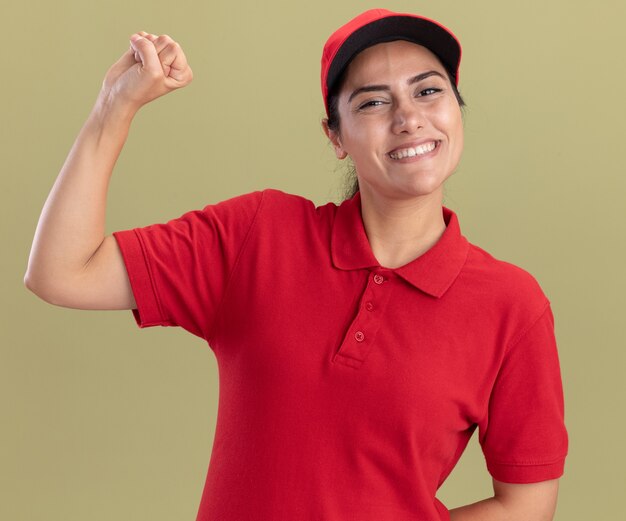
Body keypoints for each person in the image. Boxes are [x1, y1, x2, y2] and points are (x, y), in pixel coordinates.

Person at [24, 8, 568, 521]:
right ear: (335, 136)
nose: (408, 118)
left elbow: (527, 505)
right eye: (372, 103)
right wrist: (113, 106)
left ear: (456, 108)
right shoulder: (258, 236)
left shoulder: (512, 306)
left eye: (429, 91)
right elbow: (61, 271)